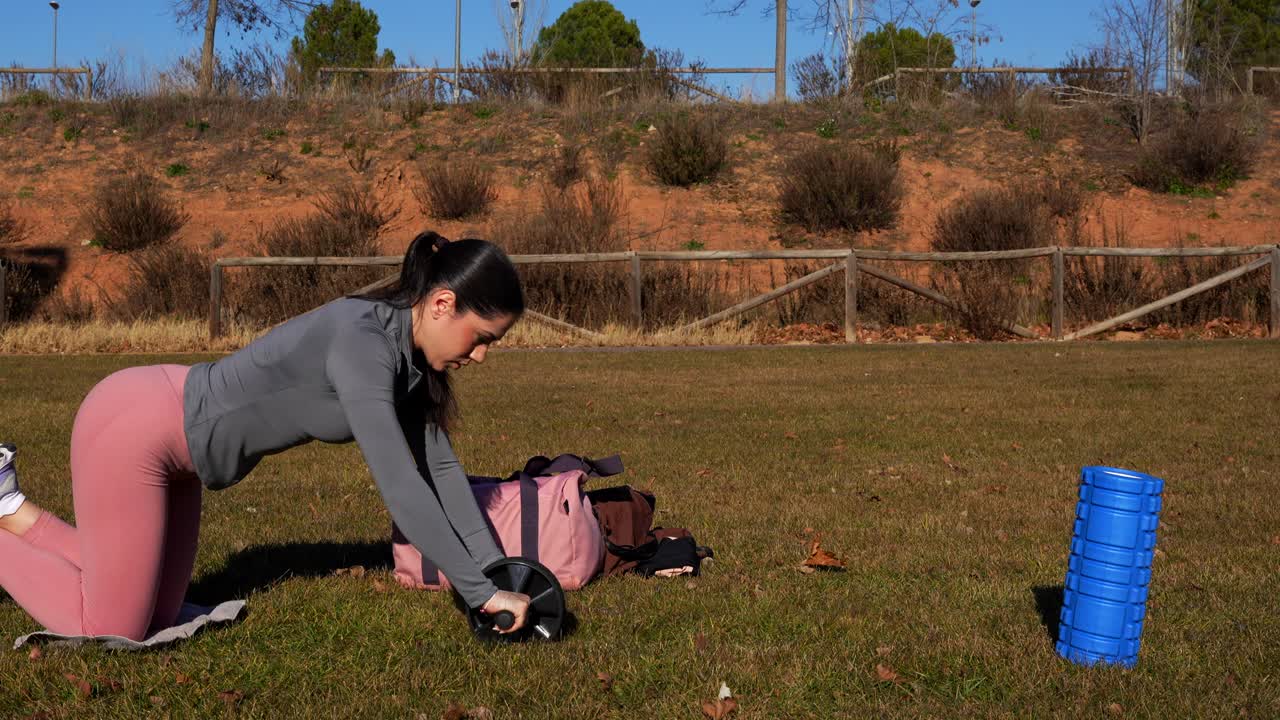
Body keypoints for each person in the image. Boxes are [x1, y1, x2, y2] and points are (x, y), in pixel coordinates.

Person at [0, 232, 530, 641]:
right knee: (110, 628)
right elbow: (400, 484)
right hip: (135, 427)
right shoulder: (363, 342)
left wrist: (495, 571)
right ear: (442, 304)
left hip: (181, 452)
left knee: (157, 612)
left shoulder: (409, 363)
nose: (481, 355)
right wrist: (480, 593)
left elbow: (438, 470)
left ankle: (10, 506)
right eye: (482, 338)